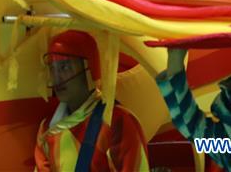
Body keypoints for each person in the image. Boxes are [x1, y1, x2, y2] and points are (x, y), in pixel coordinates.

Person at [35, 31, 149, 171]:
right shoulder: (46, 129)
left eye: (65, 67)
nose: (57, 77)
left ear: (89, 68)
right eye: (53, 69)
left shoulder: (117, 121)